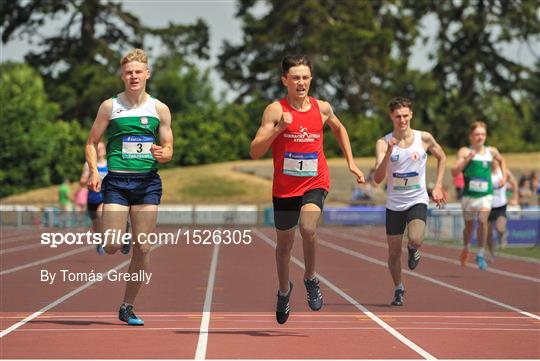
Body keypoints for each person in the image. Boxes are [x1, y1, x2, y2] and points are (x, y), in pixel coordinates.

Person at [249, 55, 365, 324]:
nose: (301, 82)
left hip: (315, 181)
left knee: (309, 228)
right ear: (284, 81)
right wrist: (279, 129)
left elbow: (340, 129)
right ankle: (283, 290)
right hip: (285, 187)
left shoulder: (322, 108)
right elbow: (255, 151)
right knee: (284, 246)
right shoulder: (275, 110)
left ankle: (311, 277)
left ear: (311, 79)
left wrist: (351, 163)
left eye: (305, 77)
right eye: (295, 78)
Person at [86, 48, 173, 326]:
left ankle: (127, 306)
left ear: (147, 74)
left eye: (138, 71)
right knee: (111, 246)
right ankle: (119, 233)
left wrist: (165, 153)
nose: (134, 76)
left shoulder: (159, 109)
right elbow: (91, 142)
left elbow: (169, 147)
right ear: (123, 76)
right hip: (117, 183)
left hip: (147, 183)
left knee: (144, 248)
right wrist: (93, 172)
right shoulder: (109, 107)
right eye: (128, 72)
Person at [373, 97, 446, 307]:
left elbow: (442, 157)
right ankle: (398, 288)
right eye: (398, 116)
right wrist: (388, 152)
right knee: (394, 253)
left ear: (411, 115)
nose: (402, 120)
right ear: (391, 117)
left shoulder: (424, 138)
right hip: (394, 204)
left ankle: (414, 249)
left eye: (405, 116)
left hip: (417, 199)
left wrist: (438, 186)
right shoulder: (383, 142)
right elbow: (378, 179)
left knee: (415, 239)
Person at [451, 121, 507, 270]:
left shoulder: (491, 151)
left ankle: (481, 254)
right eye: (477, 134)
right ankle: (466, 247)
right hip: (469, 196)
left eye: (482, 134)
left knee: (482, 220)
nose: (480, 137)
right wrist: (467, 159)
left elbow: (502, 161)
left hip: (485, 196)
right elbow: (454, 171)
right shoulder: (464, 151)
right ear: (471, 136)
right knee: (468, 227)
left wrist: (504, 177)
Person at [486, 159, 518, 259]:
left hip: (500, 205)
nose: (493, 162)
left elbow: (514, 183)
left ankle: (502, 234)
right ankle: (492, 253)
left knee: (500, 227)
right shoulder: (485, 172)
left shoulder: (504, 172)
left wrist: (514, 198)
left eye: (495, 160)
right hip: (487, 206)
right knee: (488, 234)